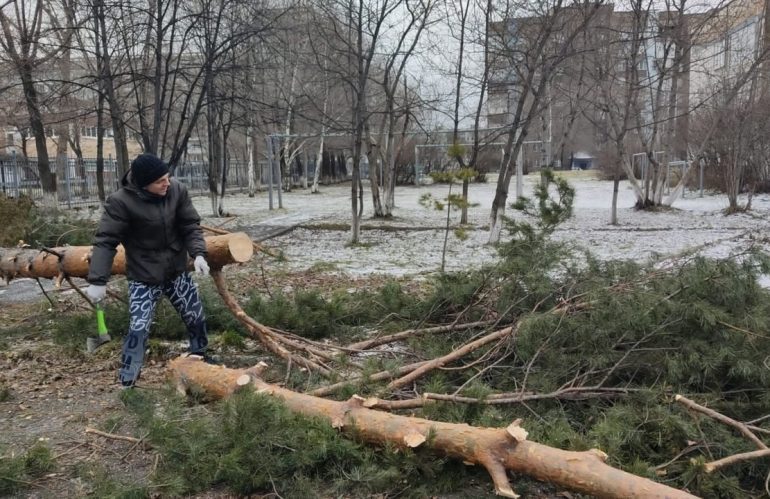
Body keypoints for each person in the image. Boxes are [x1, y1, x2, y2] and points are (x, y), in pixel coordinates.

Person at [85, 153, 212, 388]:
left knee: (195, 316)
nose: (167, 183)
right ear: (143, 184)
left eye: (167, 177)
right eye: (160, 181)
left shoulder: (176, 190)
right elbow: (105, 240)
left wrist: (198, 254)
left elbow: (189, 225)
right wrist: (98, 280)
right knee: (139, 327)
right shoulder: (121, 202)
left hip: (175, 271)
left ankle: (202, 358)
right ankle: (128, 379)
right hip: (144, 276)